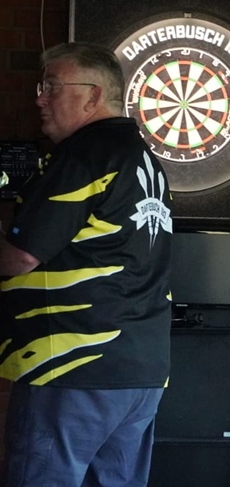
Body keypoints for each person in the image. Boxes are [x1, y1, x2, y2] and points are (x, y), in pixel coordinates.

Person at [0, 42, 173, 487]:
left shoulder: (85, 154)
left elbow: (22, 255)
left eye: (52, 86)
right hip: (139, 370)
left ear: (93, 95)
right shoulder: (143, 160)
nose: (40, 99)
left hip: (72, 364)